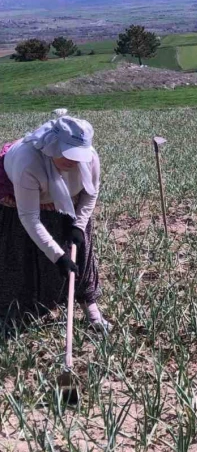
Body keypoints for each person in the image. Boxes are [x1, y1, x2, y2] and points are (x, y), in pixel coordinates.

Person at [0, 114, 111, 334]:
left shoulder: (89, 158)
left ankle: (89, 305)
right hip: (22, 196)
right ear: (52, 146)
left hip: (68, 199)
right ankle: (17, 310)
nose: (74, 161)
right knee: (22, 253)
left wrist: (79, 225)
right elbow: (29, 217)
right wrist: (57, 256)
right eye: (68, 155)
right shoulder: (28, 163)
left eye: (79, 156)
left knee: (81, 250)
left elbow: (91, 193)